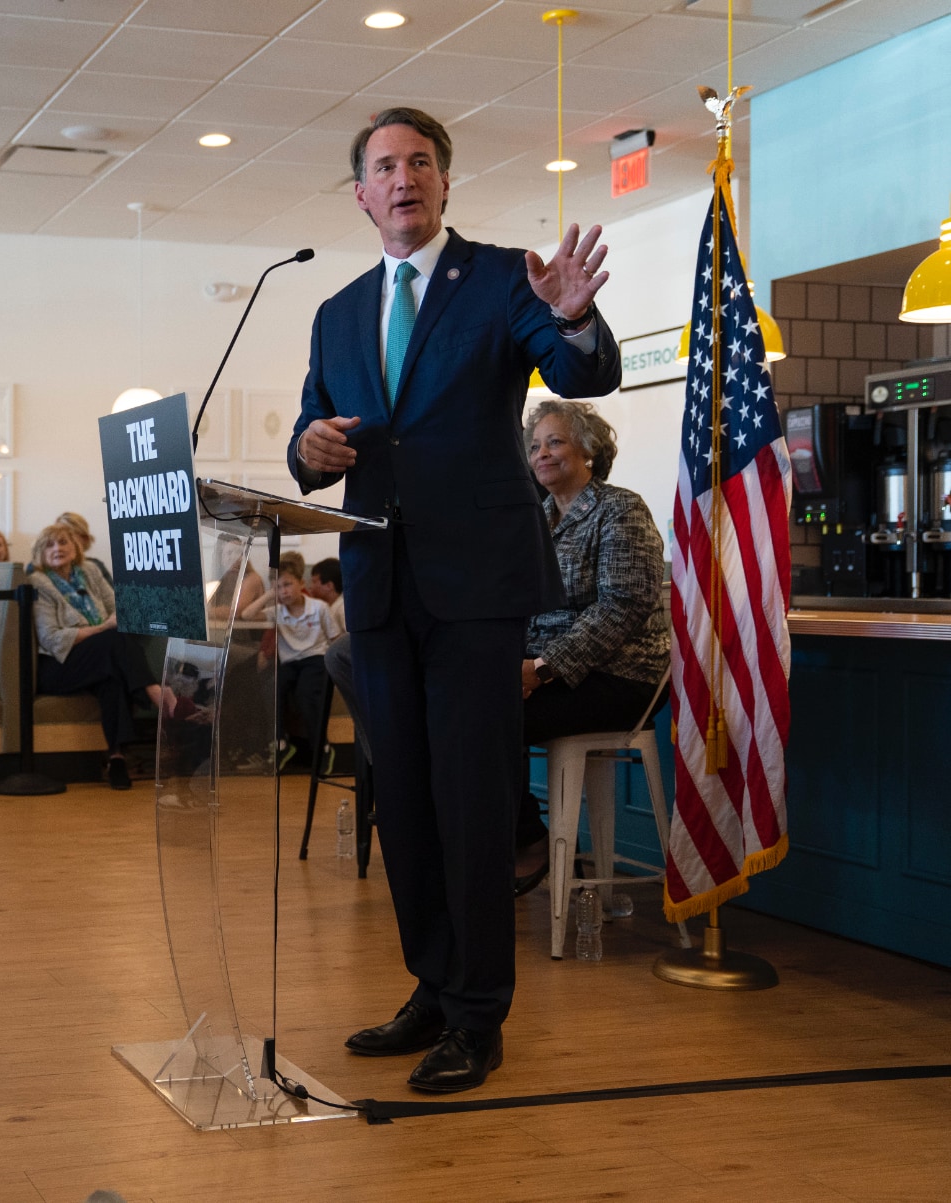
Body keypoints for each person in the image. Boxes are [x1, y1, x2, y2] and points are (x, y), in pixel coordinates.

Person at [290, 107, 620, 1093]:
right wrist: (307, 449)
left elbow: (581, 370)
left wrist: (568, 314)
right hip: (381, 583)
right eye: (385, 165)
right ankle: (432, 986)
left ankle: (481, 1014)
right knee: (410, 801)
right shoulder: (340, 309)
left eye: (420, 162)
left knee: (474, 801)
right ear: (361, 192)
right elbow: (316, 426)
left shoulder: (503, 279)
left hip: (477, 585)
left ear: (443, 181)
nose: (404, 178)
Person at [513, 400, 669, 895]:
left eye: (555, 442)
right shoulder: (534, 518)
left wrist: (541, 668)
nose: (542, 454)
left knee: (484, 720)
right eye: (535, 445)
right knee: (458, 708)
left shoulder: (620, 508)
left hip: (623, 677)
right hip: (547, 672)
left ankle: (527, 842)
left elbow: (621, 610)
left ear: (590, 450)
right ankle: (515, 839)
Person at [28, 521, 167, 790]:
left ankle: (116, 759)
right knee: (113, 640)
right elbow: (52, 638)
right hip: (58, 664)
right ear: (40, 553)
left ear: (75, 546)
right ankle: (153, 691)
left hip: (101, 656)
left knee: (112, 679)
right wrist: (102, 627)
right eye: (50, 544)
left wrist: (118, 621)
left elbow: (120, 608)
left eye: (63, 542)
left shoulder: (89, 570)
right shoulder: (38, 582)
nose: (58, 548)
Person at [252, 562, 343, 771]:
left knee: (306, 695)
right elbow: (248, 614)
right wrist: (270, 595)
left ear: (301, 583)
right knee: (271, 688)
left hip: (315, 659)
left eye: (287, 585)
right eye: (278, 587)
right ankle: (280, 743)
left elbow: (336, 639)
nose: (283, 591)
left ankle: (323, 747)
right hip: (290, 662)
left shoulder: (319, 608)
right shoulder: (277, 611)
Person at [54, 511, 111, 582]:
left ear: (85, 539)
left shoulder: (96, 566)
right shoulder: (45, 569)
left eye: (69, 536)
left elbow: (113, 593)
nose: (58, 546)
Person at [308, 556, 346, 632]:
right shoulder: (324, 608)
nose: (310, 587)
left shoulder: (342, 610)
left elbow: (349, 638)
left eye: (314, 582)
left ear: (329, 586)